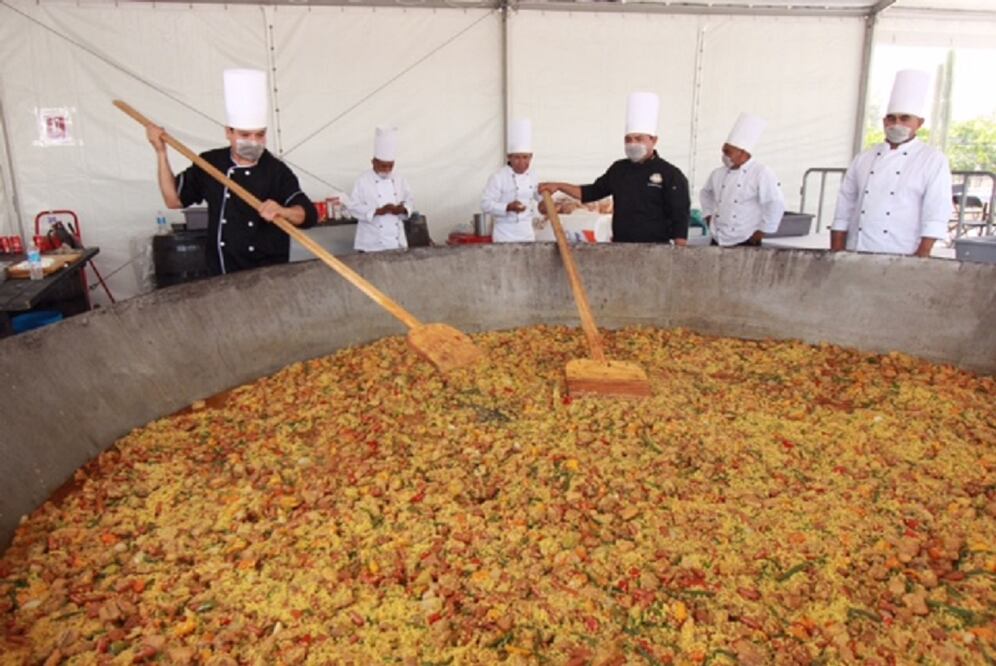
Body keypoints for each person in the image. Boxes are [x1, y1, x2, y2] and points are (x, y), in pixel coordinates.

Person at [146, 68, 317, 275]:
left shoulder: (275, 170)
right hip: (221, 272)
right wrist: (161, 152)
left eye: (260, 135)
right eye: (245, 134)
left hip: (267, 277)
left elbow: (308, 216)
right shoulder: (210, 163)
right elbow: (174, 200)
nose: (253, 142)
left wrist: (283, 211)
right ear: (228, 132)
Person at [540, 92, 690, 245]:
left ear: (654, 140)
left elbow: (680, 215)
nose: (632, 144)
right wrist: (559, 186)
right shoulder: (618, 169)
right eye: (628, 139)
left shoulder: (670, 174)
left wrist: (678, 254)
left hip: (657, 249)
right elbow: (590, 192)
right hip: (621, 246)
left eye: (638, 139)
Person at [831, 69, 952, 257]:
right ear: (884, 121)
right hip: (857, 248)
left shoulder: (932, 160)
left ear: (919, 123)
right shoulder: (864, 158)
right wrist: (836, 250)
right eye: (891, 118)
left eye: (904, 118)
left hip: (902, 251)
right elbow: (845, 205)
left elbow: (936, 211)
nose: (896, 124)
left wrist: (922, 255)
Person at [699, 113, 785, 247]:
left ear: (743, 152)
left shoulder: (761, 172)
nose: (724, 156)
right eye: (723, 151)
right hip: (718, 237)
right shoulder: (718, 173)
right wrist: (708, 215)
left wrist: (762, 231)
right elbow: (705, 193)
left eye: (728, 152)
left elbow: (774, 202)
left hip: (746, 238)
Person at [348, 127, 415, 252]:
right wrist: (378, 211)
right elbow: (353, 207)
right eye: (383, 165)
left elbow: (410, 200)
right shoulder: (363, 180)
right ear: (373, 162)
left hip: (397, 243)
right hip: (371, 244)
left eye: (391, 165)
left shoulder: (400, 179)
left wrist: (403, 209)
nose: (387, 169)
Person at [481, 119, 541, 242]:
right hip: (504, 233)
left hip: (527, 232)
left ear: (531, 157)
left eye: (525, 157)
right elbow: (485, 205)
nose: (522, 162)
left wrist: (549, 202)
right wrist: (508, 207)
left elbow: (539, 197)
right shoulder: (498, 177)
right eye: (517, 158)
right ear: (509, 157)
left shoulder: (533, 175)